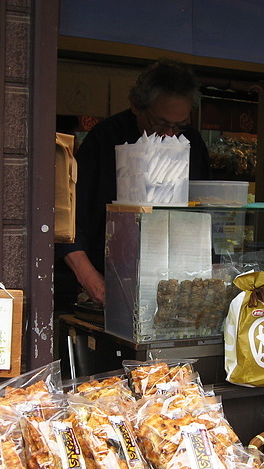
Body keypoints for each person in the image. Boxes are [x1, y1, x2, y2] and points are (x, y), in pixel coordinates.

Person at [55, 59, 211, 310]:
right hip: (106, 283)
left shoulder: (191, 143)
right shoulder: (103, 140)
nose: (169, 135)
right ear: (136, 106)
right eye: (160, 124)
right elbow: (69, 222)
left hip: (175, 287)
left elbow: (204, 213)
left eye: (179, 126)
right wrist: (90, 279)